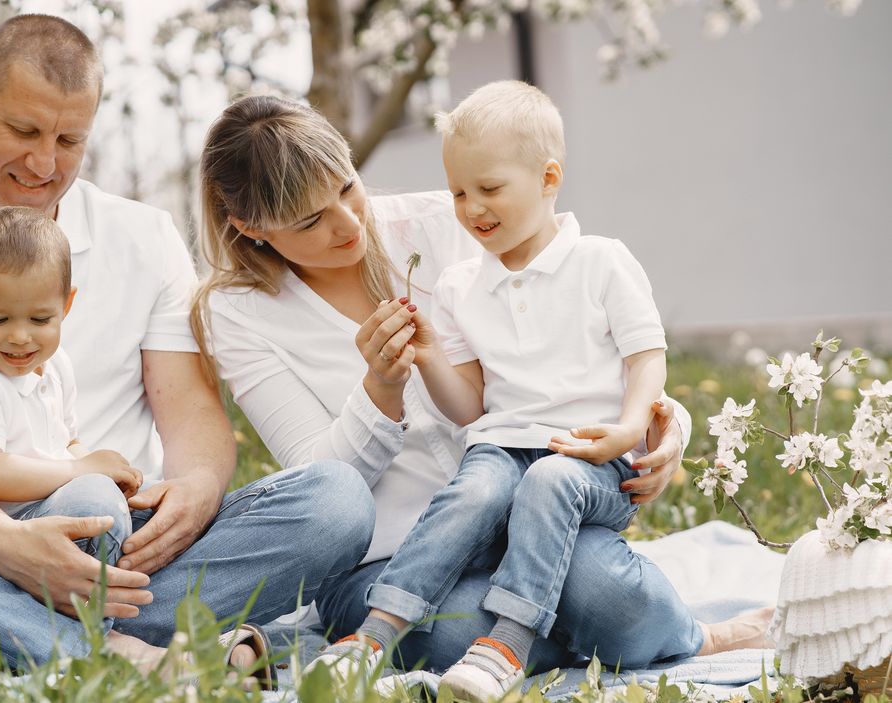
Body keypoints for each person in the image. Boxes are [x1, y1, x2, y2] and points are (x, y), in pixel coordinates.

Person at [0, 15, 374, 674]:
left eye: (68, 140)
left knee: (336, 502)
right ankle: (116, 652)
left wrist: (195, 490)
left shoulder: (144, 236)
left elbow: (193, 412)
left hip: (129, 554)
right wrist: (1, 541)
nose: (43, 164)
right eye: (23, 132)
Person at [192, 94, 772, 681]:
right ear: (251, 228)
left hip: (531, 512)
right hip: (387, 561)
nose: (347, 223)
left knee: (607, 595)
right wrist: (380, 392)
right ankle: (524, 633)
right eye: (309, 221)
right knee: (469, 633)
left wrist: (661, 426)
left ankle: (688, 636)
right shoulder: (237, 313)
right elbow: (323, 492)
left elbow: (589, 342)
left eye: (347, 188)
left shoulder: (450, 220)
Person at [313, 80, 676, 701]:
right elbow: (469, 408)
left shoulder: (602, 261)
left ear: (548, 178)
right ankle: (372, 637)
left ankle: (507, 645)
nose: (471, 207)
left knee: (550, 480)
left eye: (489, 189)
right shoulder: (459, 286)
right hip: (502, 446)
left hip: (593, 457)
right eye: (458, 192)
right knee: (474, 489)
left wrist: (628, 428)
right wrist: (429, 356)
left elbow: (647, 358)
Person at [0, 206, 139, 569]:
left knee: (152, 498)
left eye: (40, 319)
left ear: (66, 305)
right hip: (5, 528)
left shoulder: (55, 364)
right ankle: (98, 587)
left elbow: (66, 442)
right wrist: (82, 471)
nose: (20, 337)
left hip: (53, 498)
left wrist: (104, 468)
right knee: (95, 503)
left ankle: (126, 573)